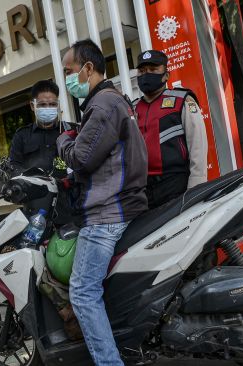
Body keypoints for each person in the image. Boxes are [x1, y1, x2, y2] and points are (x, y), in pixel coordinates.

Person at [58, 39, 148, 365]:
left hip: (108, 213)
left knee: (82, 293)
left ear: (88, 69)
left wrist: (63, 140)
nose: (67, 79)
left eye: (69, 71)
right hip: (121, 205)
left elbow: (82, 157)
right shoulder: (114, 101)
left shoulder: (103, 105)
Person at [134, 50, 208, 209]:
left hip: (176, 185)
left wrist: (196, 187)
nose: (146, 74)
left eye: (153, 70)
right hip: (144, 191)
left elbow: (198, 145)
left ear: (166, 75)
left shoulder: (181, 100)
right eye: (142, 71)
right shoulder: (134, 109)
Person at [9, 79, 63, 176]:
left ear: (58, 105)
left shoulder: (68, 131)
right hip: (35, 190)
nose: (48, 108)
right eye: (42, 104)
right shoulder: (21, 136)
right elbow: (14, 169)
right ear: (32, 106)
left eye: (52, 104)